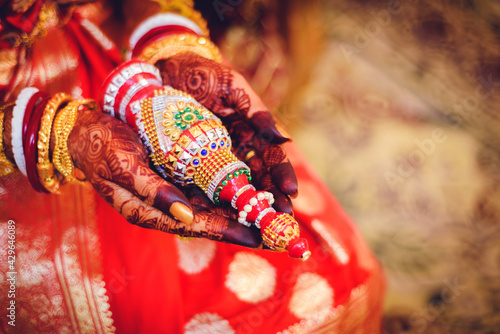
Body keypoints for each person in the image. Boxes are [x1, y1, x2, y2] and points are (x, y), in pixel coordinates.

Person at [0, 0, 384, 332]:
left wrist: (166, 37)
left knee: (343, 267)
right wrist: (45, 133)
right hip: (20, 106)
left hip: (127, 58)